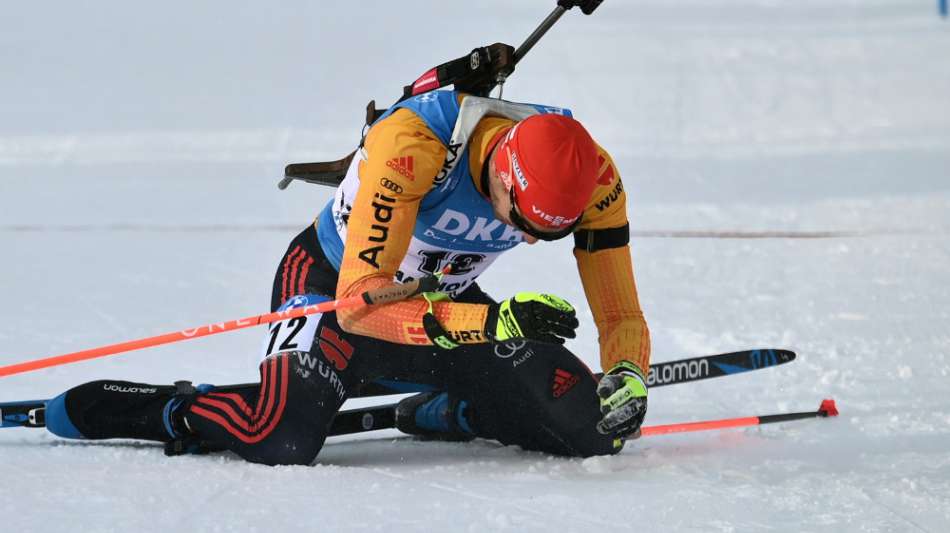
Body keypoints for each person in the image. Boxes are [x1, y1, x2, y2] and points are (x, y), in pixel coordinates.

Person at [42, 90, 651, 466]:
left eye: (544, 235)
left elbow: (620, 313)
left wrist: (628, 372)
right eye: (517, 219)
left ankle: (454, 411)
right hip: (332, 290)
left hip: (442, 308)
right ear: (503, 169)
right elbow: (359, 305)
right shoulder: (413, 147)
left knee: (594, 430)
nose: (521, 237)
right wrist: (491, 321)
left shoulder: (594, 176)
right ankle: (168, 411)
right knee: (279, 438)